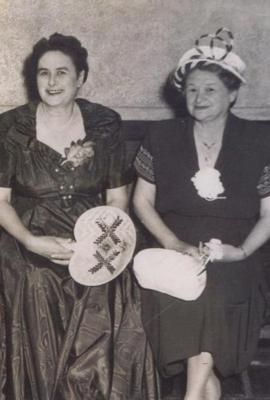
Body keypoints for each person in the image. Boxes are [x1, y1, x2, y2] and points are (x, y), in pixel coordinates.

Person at [0, 33, 158, 400]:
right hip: (28, 232)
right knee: (35, 279)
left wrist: (101, 246)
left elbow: (118, 198)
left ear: (81, 77)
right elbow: (1, 200)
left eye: (62, 73)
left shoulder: (105, 124)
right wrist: (30, 240)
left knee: (113, 283)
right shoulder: (10, 127)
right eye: (43, 73)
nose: (52, 83)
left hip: (95, 231)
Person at [133, 28, 270, 400]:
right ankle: (202, 392)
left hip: (234, 253)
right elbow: (141, 202)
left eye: (210, 89)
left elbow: (269, 214)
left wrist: (239, 251)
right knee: (187, 286)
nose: (199, 97)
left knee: (212, 289)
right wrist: (174, 243)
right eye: (192, 89)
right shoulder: (161, 137)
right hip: (173, 247)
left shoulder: (259, 141)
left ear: (233, 93)